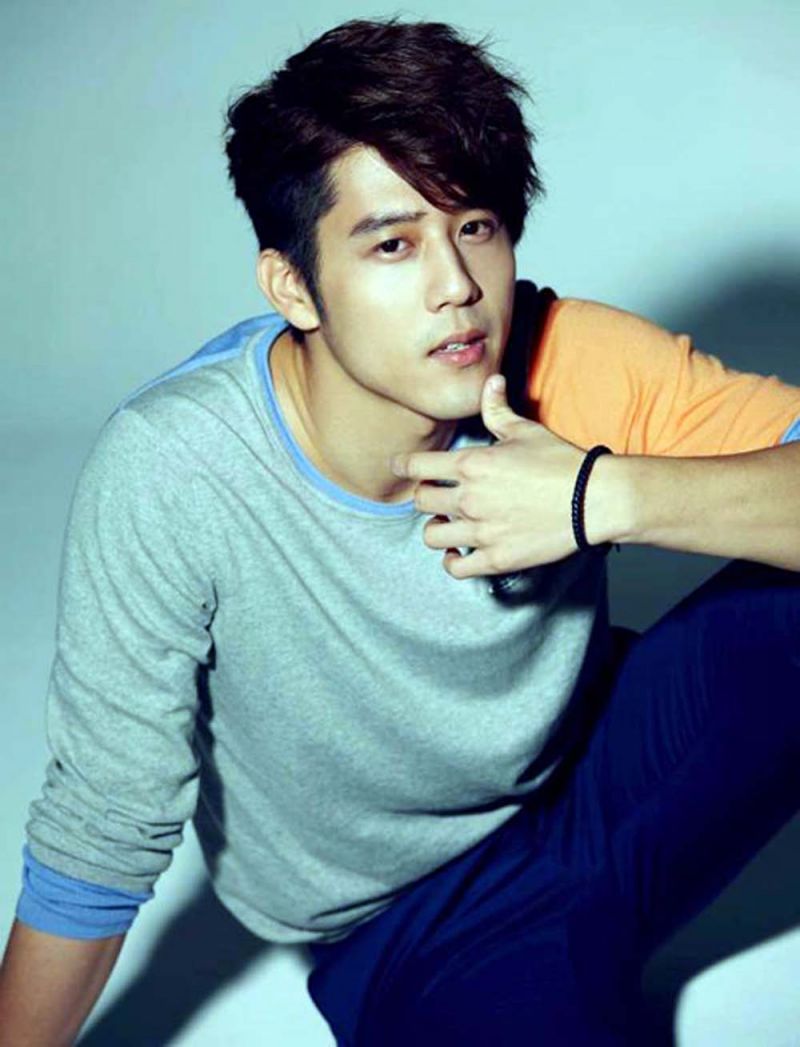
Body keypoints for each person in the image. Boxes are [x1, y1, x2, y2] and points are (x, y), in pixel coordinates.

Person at [2, 15, 799, 1046]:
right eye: (392, 243)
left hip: (610, 768)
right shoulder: (178, 467)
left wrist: (599, 495)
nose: (455, 286)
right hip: (408, 922)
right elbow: (101, 828)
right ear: (293, 285)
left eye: (475, 227)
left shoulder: (566, 357)